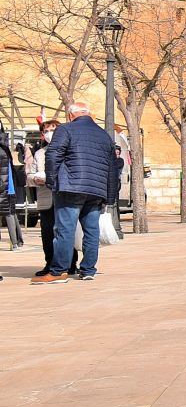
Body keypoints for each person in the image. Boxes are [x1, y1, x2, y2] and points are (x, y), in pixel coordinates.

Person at [33, 102, 116, 284]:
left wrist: (52, 181)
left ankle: (58, 272)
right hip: (96, 190)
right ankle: (88, 270)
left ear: (71, 115)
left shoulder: (66, 130)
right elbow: (112, 168)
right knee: (91, 231)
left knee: (64, 230)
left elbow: (53, 154)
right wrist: (109, 196)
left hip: (71, 187)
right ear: (89, 114)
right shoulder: (104, 135)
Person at [28, 119, 78, 277]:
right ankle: (49, 263)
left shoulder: (68, 151)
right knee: (47, 234)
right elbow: (29, 176)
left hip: (63, 196)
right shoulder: (39, 153)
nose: (49, 134)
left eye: (53, 130)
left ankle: (70, 263)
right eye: (46, 131)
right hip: (46, 198)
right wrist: (35, 179)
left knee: (65, 232)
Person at [0, 125, 22, 249]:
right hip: (8, 185)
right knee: (11, 213)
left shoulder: (1, 149)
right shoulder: (5, 147)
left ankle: (15, 242)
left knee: (9, 214)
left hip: (4, 187)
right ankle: (17, 242)